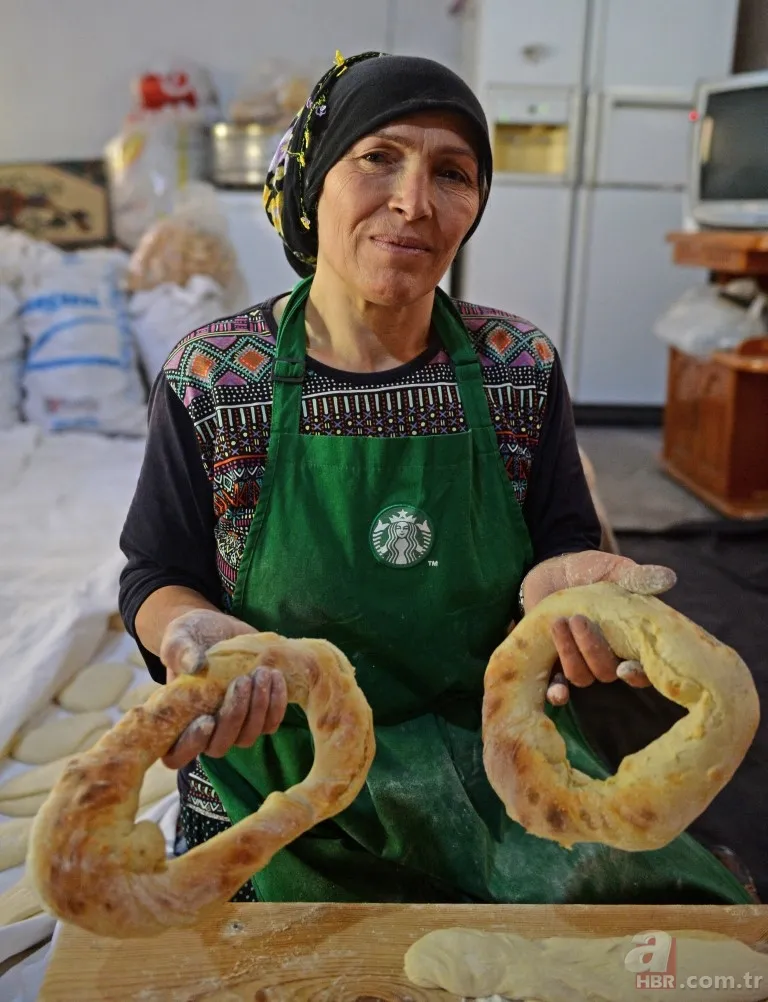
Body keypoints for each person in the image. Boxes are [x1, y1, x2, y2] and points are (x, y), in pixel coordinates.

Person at [119, 50, 753, 906]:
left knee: (679, 929)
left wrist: (568, 586)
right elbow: (155, 574)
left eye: (451, 173)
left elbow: (560, 540)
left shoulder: (517, 365)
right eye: (378, 157)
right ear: (315, 184)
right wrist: (190, 629)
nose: (414, 202)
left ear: (476, 206)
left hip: (488, 769)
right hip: (278, 784)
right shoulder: (213, 375)